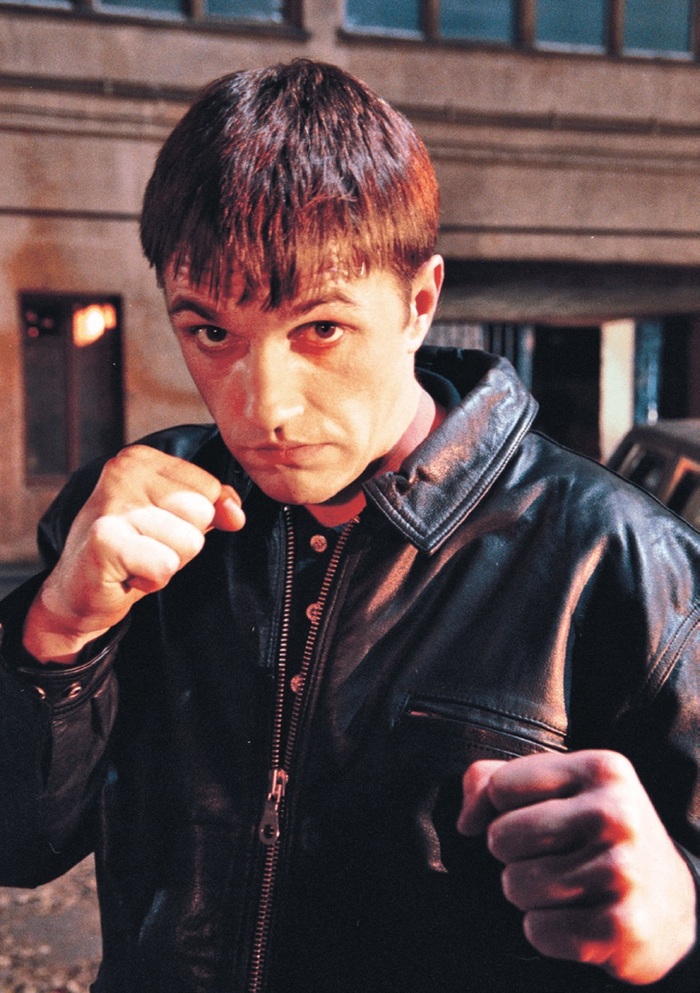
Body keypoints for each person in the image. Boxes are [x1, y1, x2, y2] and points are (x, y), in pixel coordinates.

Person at [0, 59, 697, 993]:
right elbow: (18, 845)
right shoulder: (129, 516)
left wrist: (683, 925)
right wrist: (56, 634)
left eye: (320, 329)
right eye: (211, 332)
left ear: (419, 302)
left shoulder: (624, 561)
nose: (264, 408)